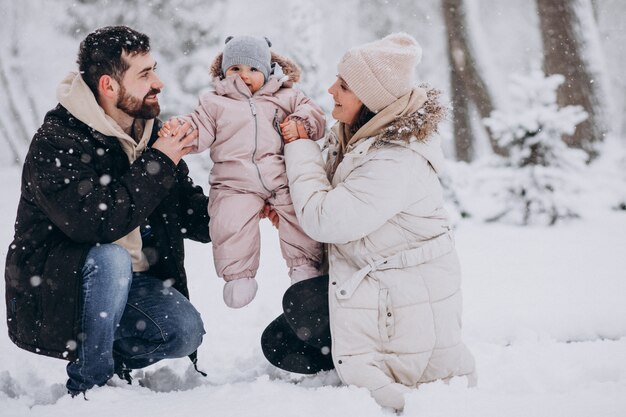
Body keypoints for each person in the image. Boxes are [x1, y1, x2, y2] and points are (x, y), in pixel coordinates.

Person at [261, 33, 476, 410]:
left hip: (403, 306)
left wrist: (298, 145)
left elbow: (326, 219)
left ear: (371, 100)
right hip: (383, 288)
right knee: (281, 340)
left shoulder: (395, 159)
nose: (330, 90)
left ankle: (388, 360)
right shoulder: (356, 138)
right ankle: (352, 351)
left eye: (343, 86)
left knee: (300, 309)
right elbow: (326, 196)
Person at [4, 25, 211, 397]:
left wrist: (248, 199)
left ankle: (109, 356)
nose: (159, 83)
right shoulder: (58, 140)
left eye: (155, 69)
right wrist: (160, 160)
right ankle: (92, 385)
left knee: (184, 331)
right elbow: (96, 223)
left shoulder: (149, 133)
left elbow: (194, 217)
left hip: (132, 283)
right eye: (145, 74)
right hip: (56, 291)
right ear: (109, 86)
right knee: (111, 258)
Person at [159, 36, 325, 309]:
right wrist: (181, 129)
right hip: (234, 181)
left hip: (280, 177)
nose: (244, 76)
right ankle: (238, 275)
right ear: (224, 71)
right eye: (235, 69)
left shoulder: (287, 95)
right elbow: (199, 128)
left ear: (268, 70)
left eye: (253, 69)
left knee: (299, 215)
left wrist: (300, 122)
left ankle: (304, 267)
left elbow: (315, 114)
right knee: (229, 221)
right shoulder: (214, 102)